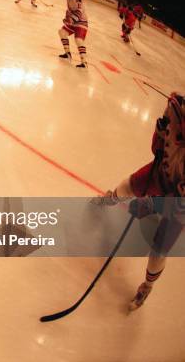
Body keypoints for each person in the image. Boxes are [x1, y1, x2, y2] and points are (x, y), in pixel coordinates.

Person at [92, 93, 184, 310]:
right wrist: (159, 135)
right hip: (162, 173)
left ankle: (147, 285)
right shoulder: (176, 108)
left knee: (159, 249)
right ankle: (110, 199)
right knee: (128, 185)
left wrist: (152, 204)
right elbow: (158, 150)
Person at [58, 0, 88, 68]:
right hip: (73, 21)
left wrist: (70, 20)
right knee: (62, 32)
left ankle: (84, 62)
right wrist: (67, 17)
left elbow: (79, 11)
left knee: (78, 40)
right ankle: (67, 53)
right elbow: (69, 10)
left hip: (81, 22)